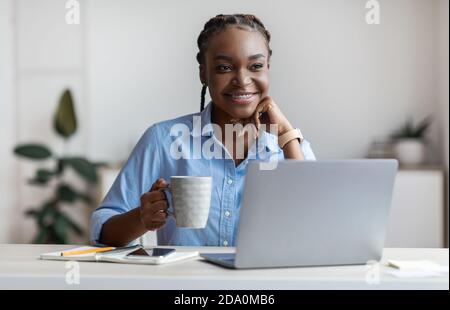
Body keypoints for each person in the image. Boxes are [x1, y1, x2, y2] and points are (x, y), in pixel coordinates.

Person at [91, 14, 316, 247]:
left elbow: (316, 227)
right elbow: (104, 230)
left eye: (256, 66)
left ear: (267, 69)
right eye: (224, 67)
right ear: (203, 73)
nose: (242, 79)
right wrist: (141, 218)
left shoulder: (292, 148)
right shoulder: (163, 140)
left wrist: (287, 136)